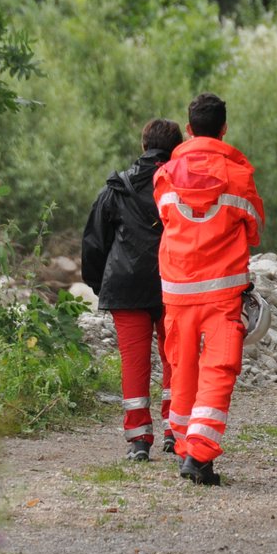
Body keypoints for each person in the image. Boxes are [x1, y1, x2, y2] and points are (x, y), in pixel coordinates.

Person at [155, 92, 265, 486]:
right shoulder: (239, 176)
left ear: (189, 129)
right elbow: (253, 227)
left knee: (183, 367)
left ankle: (185, 445)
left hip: (177, 289)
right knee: (217, 369)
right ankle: (198, 456)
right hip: (222, 292)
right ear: (223, 130)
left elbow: (165, 215)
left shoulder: (166, 174)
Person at [82, 118, 184, 461]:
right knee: (175, 359)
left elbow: (95, 243)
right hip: (173, 285)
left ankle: (139, 440)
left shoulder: (116, 188)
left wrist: (101, 286)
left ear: (144, 146)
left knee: (134, 364)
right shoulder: (182, 187)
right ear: (176, 150)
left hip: (125, 286)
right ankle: (175, 431)